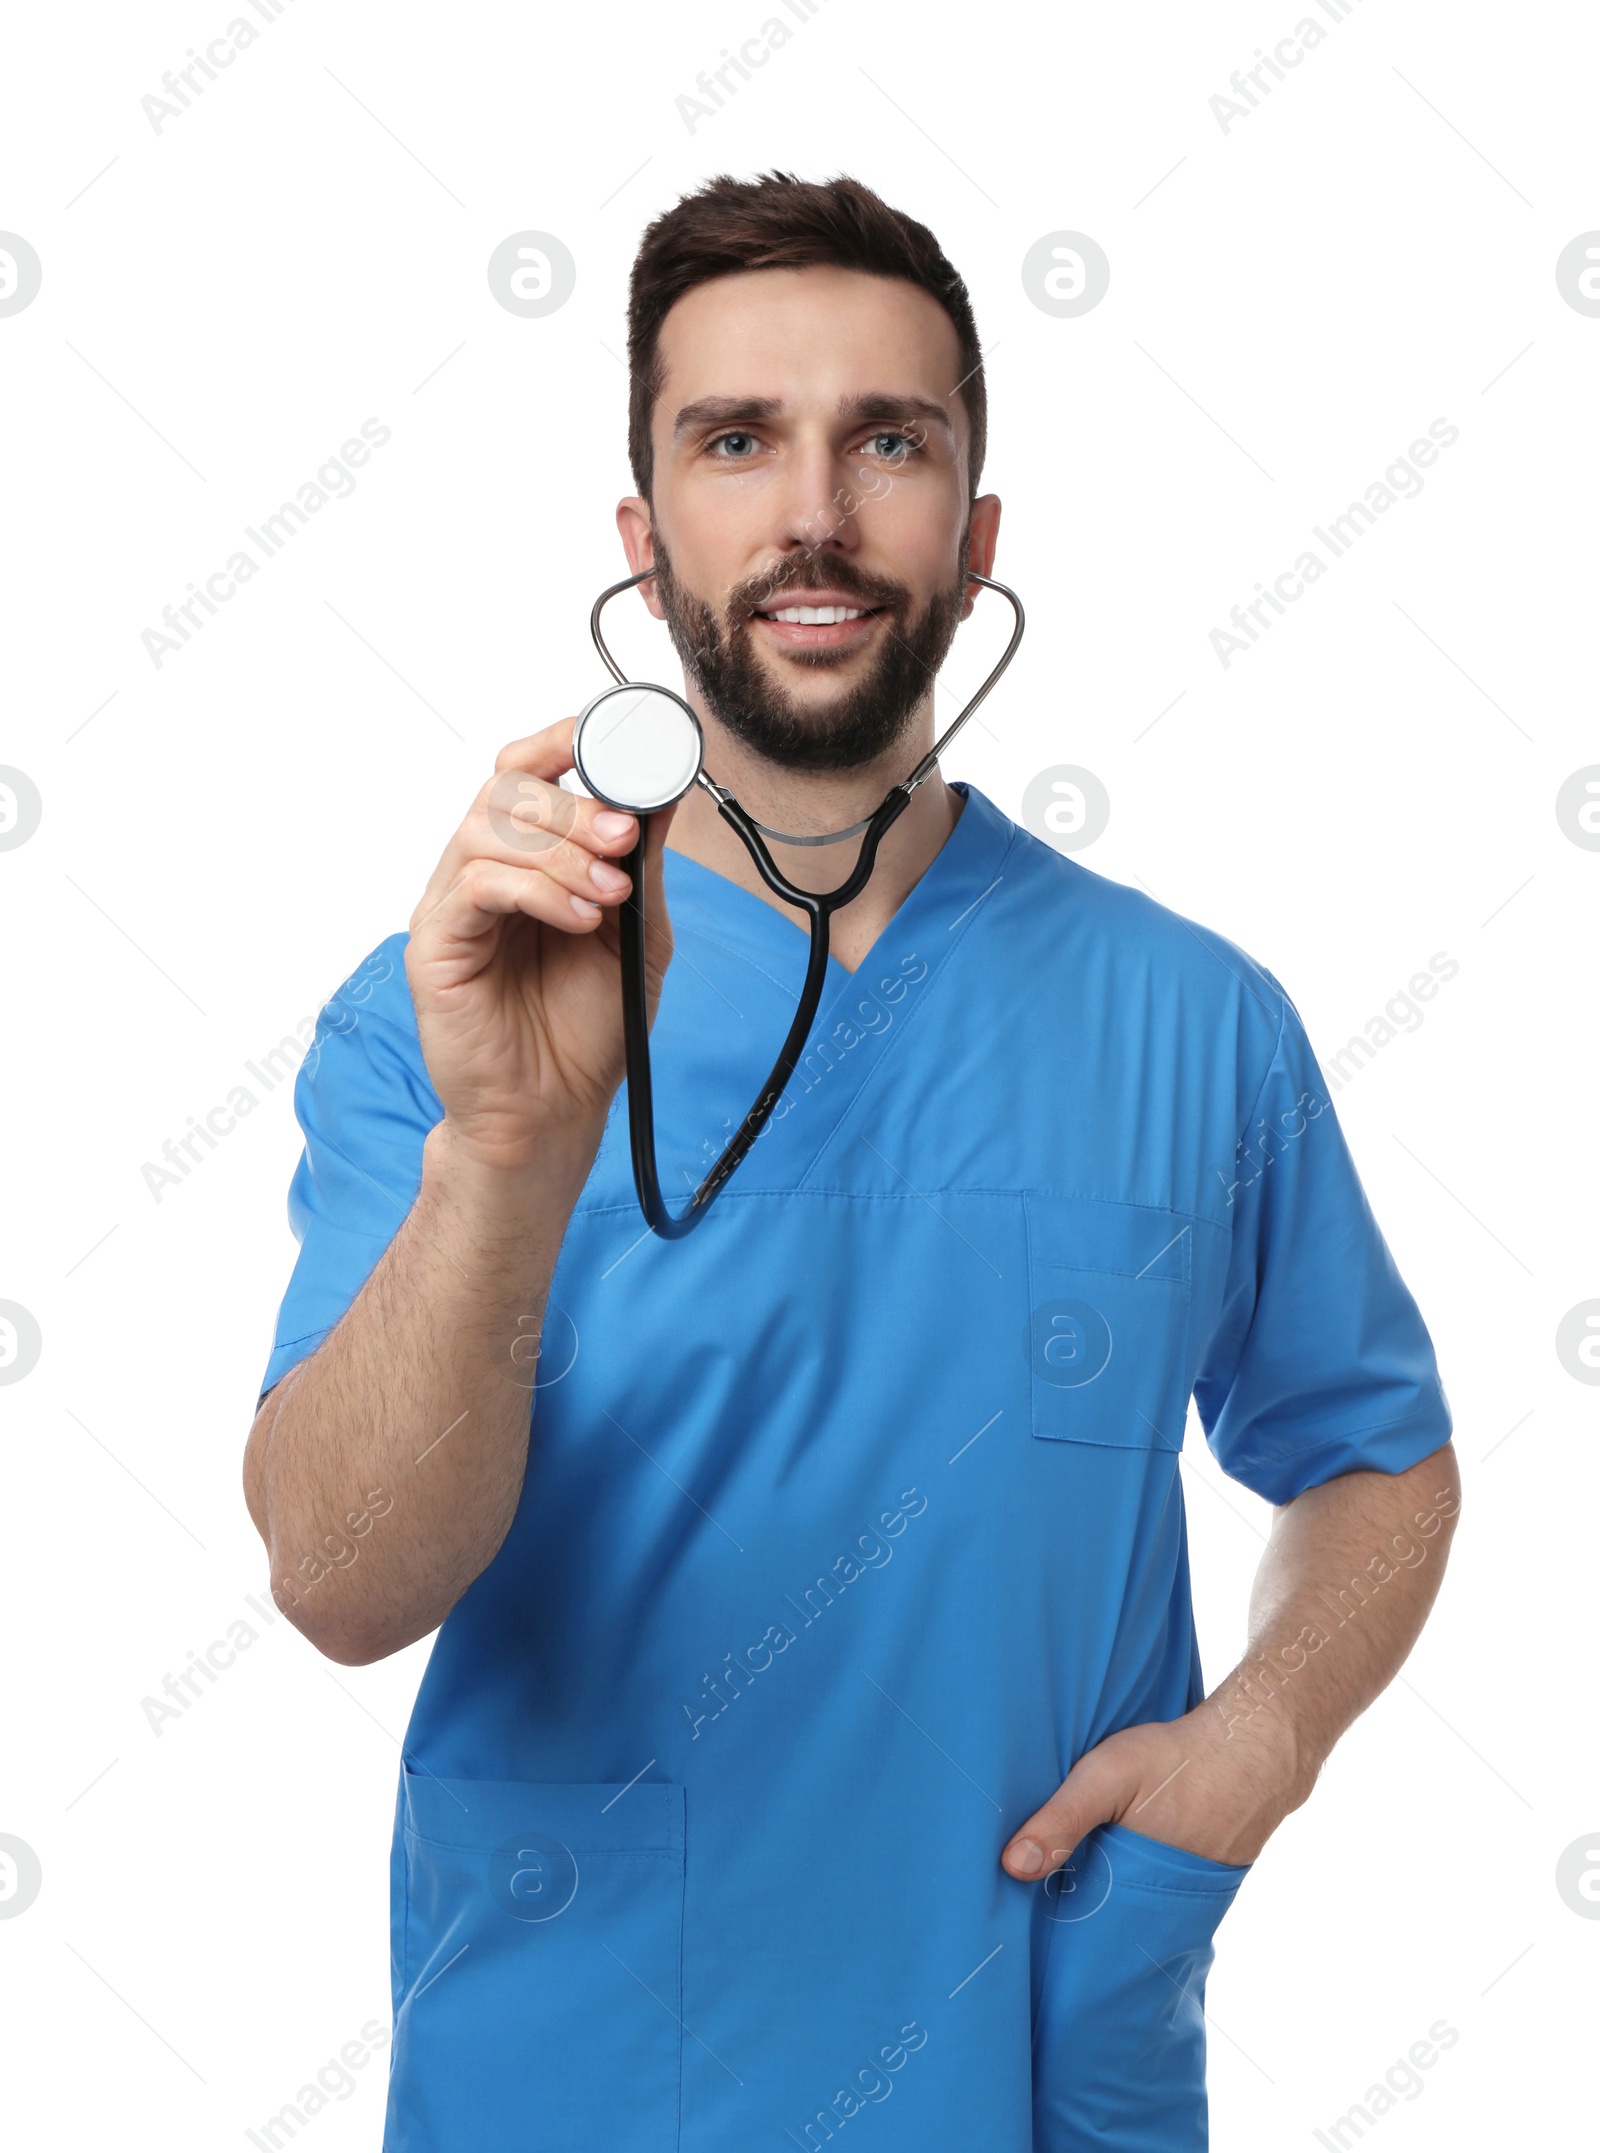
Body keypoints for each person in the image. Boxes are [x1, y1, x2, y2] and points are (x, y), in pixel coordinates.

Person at [244, 170, 1459, 2152]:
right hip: (580, 2082)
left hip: (1040, 2069)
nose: (812, 511)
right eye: (736, 441)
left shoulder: (1188, 1017)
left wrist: (1265, 1732)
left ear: (974, 538)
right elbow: (343, 1581)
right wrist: (504, 1146)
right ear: (641, 545)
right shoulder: (431, 1022)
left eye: (884, 441)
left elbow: (1377, 1454)